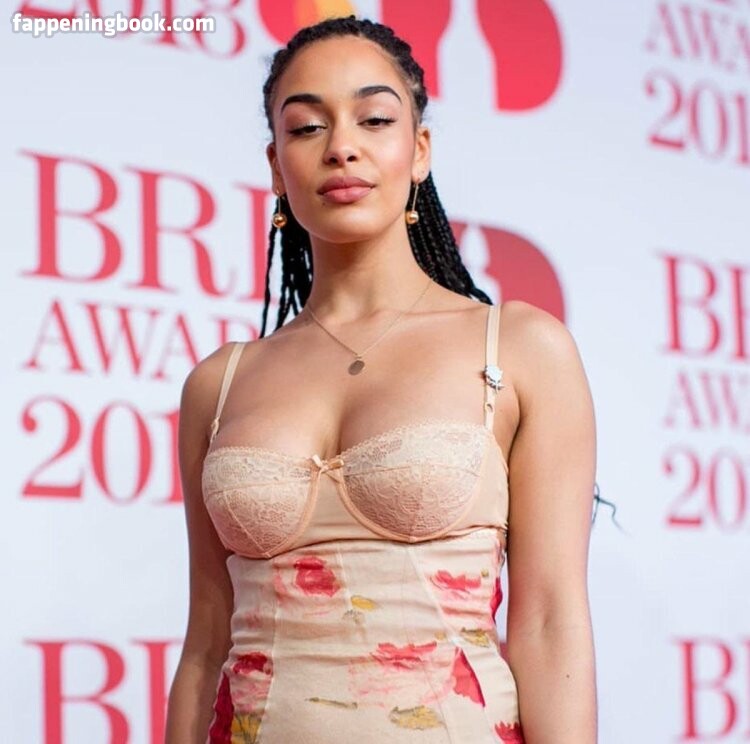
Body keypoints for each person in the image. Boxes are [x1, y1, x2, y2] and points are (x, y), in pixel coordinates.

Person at [166, 15, 598, 744]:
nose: (342, 146)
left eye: (373, 119)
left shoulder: (520, 349)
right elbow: (206, 643)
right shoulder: (219, 383)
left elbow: (550, 622)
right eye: (307, 127)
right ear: (275, 166)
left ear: (418, 149)